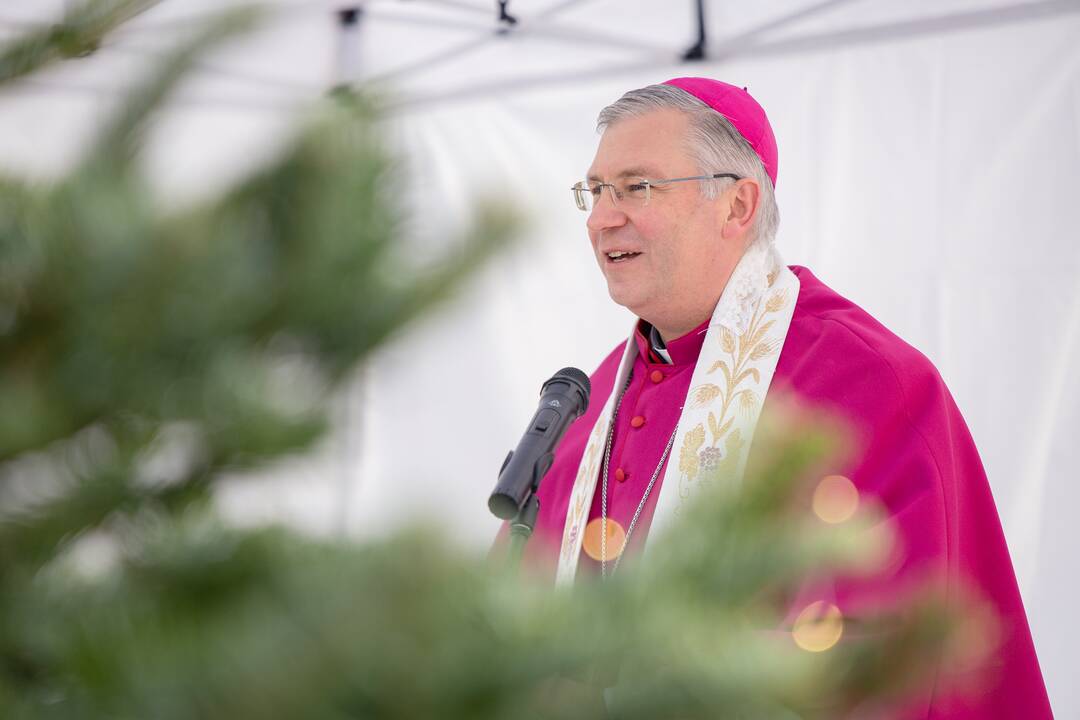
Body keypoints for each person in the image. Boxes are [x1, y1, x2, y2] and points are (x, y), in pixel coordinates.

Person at [515, 77, 1052, 717]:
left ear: (737, 206)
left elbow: (886, 661)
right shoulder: (589, 402)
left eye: (637, 187)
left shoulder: (865, 382)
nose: (602, 217)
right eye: (596, 191)